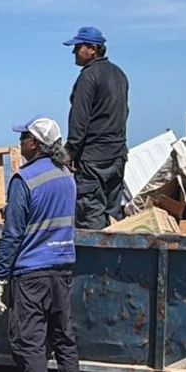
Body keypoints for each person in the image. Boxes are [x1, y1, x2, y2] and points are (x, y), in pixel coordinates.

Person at [0, 116, 82, 372]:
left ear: (37, 145)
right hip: (62, 267)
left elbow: (13, 235)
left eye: (24, 137)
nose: (20, 143)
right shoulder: (67, 177)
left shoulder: (24, 180)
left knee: (30, 341)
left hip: (32, 272)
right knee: (63, 338)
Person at [62, 26, 129, 229]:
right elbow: (124, 112)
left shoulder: (88, 77)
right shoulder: (119, 74)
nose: (74, 52)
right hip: (117, 155)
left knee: (90, 214)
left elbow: (79, 120)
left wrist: (69, 153)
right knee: (113, 213)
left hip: (93, 159)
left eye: (78, 47)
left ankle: (94, 260)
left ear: (93, 48)